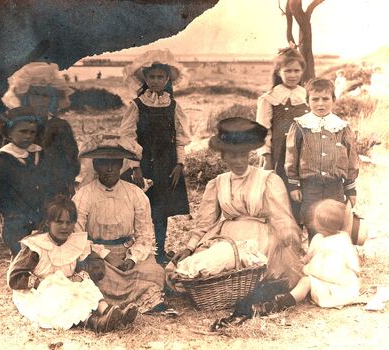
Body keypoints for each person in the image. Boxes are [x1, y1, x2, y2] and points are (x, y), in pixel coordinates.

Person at [170, 117, 304, 290]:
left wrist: (290, 243)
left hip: (258, 240)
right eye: (233, 156)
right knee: (207, 259)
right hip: (226, 237)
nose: (239, 161)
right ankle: (189, 276)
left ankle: (191, 275)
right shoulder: (218, 183)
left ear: (249, 154)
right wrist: (190, 247)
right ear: (224, 156)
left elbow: (283, 219)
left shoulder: (268, 180)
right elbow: (205, 223)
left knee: (225, 260)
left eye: (243, 155)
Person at [211, 199, 361, 330]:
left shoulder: (339, 244)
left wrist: (307, 268)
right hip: (327, 280)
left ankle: (283, 302)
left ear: (322, 226)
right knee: (300, 279)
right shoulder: (326, 239)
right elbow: (313, 255)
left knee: (305, 282)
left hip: (339, 288)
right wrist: (305, 260)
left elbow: (337, 269)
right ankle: (283, 296)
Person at [7, 195, 138, 332]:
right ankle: (94, 322)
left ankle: (110, 312)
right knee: (59, 295)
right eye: (59, 222)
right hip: (39, 292)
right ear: (48, 223)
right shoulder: (37, 246)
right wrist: (41, 283)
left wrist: (80, 275)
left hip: (67, 284)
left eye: (69, 223)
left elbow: (96, 264)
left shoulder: (75, 244)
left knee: (86, 286)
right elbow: (14, 276)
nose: (64, 227)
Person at [72, 135, 166, 313]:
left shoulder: (135, 194)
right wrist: (104, 255)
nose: (109, 169)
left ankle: (142, 299)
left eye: (114, 163)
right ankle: (110, 306)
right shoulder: (83, 196)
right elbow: (78, 237)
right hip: (96, 254)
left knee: (155, 272)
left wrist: (132, 258)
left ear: (122, 164)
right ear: (95, 165)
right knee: (94, 276)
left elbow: (145, 235)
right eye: (102, 163)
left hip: (127, 252)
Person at [120, 49, 190, 264]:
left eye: (160, 77)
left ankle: (159, 250)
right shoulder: (137, 105)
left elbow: (180, 137)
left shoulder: (173, 105)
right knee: (141, 209)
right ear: (144, 78)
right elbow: (127, 136)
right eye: (152, 77)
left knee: (162, 210)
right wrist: (135, 167)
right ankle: (141, 251)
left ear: (168, 79)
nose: (156, 81)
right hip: (145, 164)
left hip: (167, 165)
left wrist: (180, 163)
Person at [285, 78, 359, 241]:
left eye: (325, 99)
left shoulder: (342, 127)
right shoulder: (300, 126)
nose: (320, 104)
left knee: (334, 221)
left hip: (335, 186)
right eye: (315, 99)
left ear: (333, 100)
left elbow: (351, 159)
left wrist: (351, 189)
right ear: (307, 101)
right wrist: (294, 185)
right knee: (313, 223)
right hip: (309, 187)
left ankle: (332, 258)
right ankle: (315, 254)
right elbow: (291, 156)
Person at [2, 61, 79, 197]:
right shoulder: (16, 126)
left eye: (47, 96)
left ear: (54, 98)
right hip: (23, 192)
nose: (42, 101)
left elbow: (72, 162)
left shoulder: (61, 126)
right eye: (36, 95)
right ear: (26, 97)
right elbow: (6, 161)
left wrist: (65, 185)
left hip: (56, 190)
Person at [0, 106, 57, 256]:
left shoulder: (37, 153)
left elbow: (47, 181)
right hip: (16, 220)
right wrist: (12, 212)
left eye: (32, 132)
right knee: (20, 256)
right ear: (10, 133)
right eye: (23, 132)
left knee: (40, 254)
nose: (28, 136)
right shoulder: (3, 158)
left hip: (39, 216)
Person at [256, 47, 309, 222]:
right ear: (279, 72)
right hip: (280, 153)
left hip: (305, 154)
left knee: (303, 195)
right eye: (288, 71)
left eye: (297, 70)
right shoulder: (269, 98)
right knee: (279, 194)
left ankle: (300, 229)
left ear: (302, 71)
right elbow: (262, 129)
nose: (293, 75)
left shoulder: (307, 96)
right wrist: (266, 154)